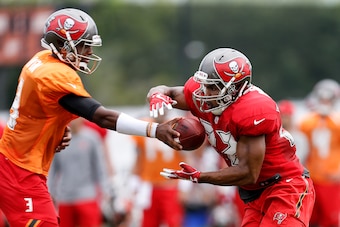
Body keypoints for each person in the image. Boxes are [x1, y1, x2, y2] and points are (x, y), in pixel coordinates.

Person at [0, 8, 181, 227]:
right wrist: (154, 130)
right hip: (19, 171)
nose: (87, 52)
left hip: (17, 164)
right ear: (64, 45)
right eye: (83, 45)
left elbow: (40, 109)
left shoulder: (42, 60)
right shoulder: (54, 74)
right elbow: (102, 116)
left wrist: (57, 128)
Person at [147, 47, 315, 226]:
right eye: (205, 85)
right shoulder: (204, 95)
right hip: (255, 194)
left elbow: (248, 172)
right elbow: (168, 91)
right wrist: (157, 94)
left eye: (212, 87)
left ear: (235, 88)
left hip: (284, 187)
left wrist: (201, 177)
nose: (204, 92)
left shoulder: (252, 110)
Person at [47, 117, 109, 227]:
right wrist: (49, 193)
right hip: (64, 197)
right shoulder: (59, 139)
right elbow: (52, 170)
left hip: (86, 196)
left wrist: (105, 190)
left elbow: (99, 168)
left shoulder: (91, 138)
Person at [298, 79, 340, 227]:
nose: (325, 102)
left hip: (331, 179)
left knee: (331, 219)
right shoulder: (307, 122)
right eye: (322, 98)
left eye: (328, 99)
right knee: (310, 218)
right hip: (312, 177)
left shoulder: (337, 122)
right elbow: (300, 150)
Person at [131, 114, 185, 227]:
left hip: (170, 185)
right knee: (148, 223)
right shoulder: (144, 125)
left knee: (173, 222)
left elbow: (185, 157)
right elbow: (138, 157)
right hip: (149, 186)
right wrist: (134, 182)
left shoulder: (177, 125)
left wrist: (184, 186)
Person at [278, 100, 309, 165]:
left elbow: (299, 158)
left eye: (285, 116)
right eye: (281, 115)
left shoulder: (299, 137)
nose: (282, 119)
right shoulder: (276, 136)